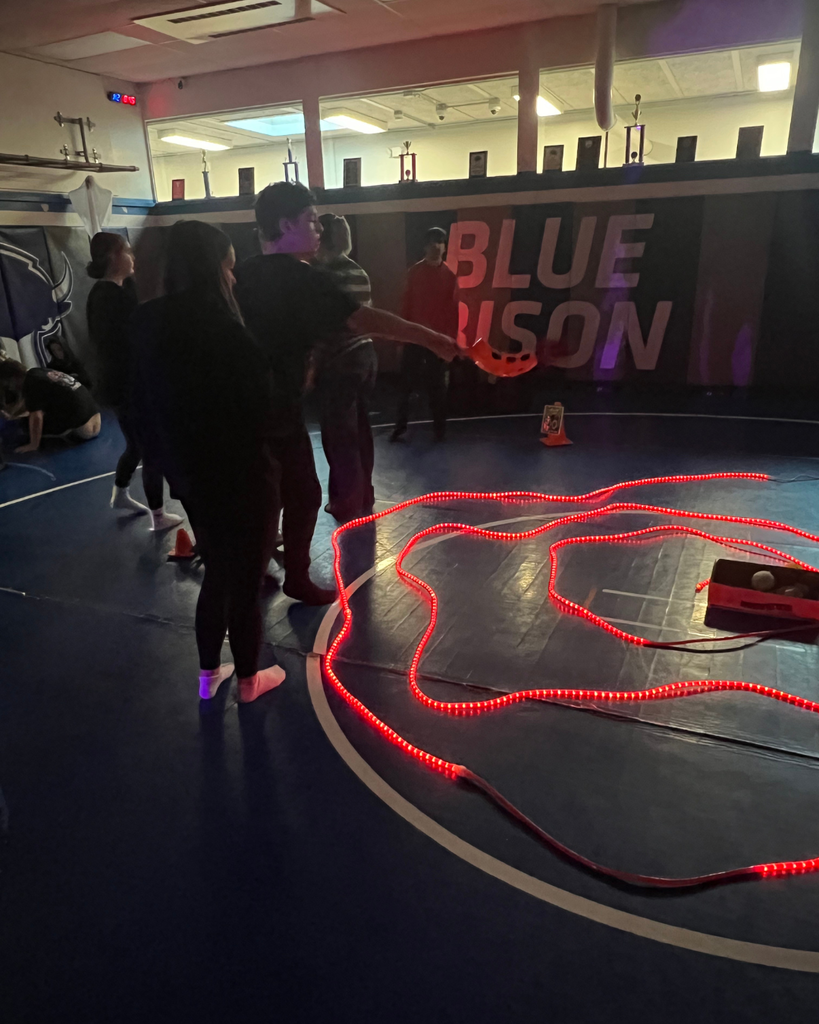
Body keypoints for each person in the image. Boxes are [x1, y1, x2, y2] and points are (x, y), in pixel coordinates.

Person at [234, 181, 458, 604]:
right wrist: (429, 338)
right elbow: (361, 319)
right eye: (311, 221)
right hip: (274, 407)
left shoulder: (241, 274)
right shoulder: (300, 277)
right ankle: (287, 576)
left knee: (269, 493)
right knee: (298, 491)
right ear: (285, 225)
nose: (318, 229)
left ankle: (261, 568)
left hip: (245, 405)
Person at [130, 220, 285, 704]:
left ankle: (207, 676)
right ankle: (248, 681)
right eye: (229, 268)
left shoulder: (148, 323)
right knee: (245, 578)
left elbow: (138, 406)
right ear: (214, 268)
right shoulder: (226, 330)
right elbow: (265, 411)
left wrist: (172, 465)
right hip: (242, 473)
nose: (234, 279)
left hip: (191, 475)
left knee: (218, 569)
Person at [86, 232, 182, 531]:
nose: (132, 257)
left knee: (137, 445)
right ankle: (157, 515)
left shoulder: (116, 291)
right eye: (127, 251)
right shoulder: (109, 297)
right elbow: (128, 341)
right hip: (128, 384)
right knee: (151, 446)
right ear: (113, 257)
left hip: (121, 383)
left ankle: (121, 493)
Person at [312, 213, 377, 521]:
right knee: (361, 428)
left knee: (339, 434)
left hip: (338, 360)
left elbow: (322, 325)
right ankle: (365, 493)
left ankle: (345, 499)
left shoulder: (321, 274)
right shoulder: (358, 270)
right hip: (366, 355)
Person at [391, 226, 459, 443]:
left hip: (437, 341)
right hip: (414, 338)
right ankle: (400, 426)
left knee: (437, 388)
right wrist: (402, 338)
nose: (436, 246)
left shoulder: (449, 276)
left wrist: (449, 342)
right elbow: (406, 305)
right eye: (432, 242)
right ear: (424, 246)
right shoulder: (415, 273)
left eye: (440, 242)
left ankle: (440, 430)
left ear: (445, 247)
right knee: (406, 386)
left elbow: (453, 311)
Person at [0, 359, 101, 452]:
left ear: (13, 379)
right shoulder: (36, 373)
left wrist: (33, 445)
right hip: (95, 418)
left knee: (26, 426)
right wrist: (14, 414)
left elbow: (36, 417)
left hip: (83, 431)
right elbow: (31, 404)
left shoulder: (31, 385)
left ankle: (38, 442)